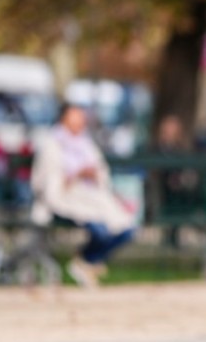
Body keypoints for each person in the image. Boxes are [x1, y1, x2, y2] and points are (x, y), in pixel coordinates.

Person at [32, 103, 136, 288]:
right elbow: (46, 181)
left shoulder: (85, 143)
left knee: (127, 229)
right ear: (64, 119)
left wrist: (93, 175)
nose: (80, 121)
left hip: (94, 197)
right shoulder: (53, 143)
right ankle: (86, 261)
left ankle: (86, 260)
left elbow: (102, 172)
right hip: (67, 199)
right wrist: (77, 175)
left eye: (81, 117)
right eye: (75, 117)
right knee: (101, 231)